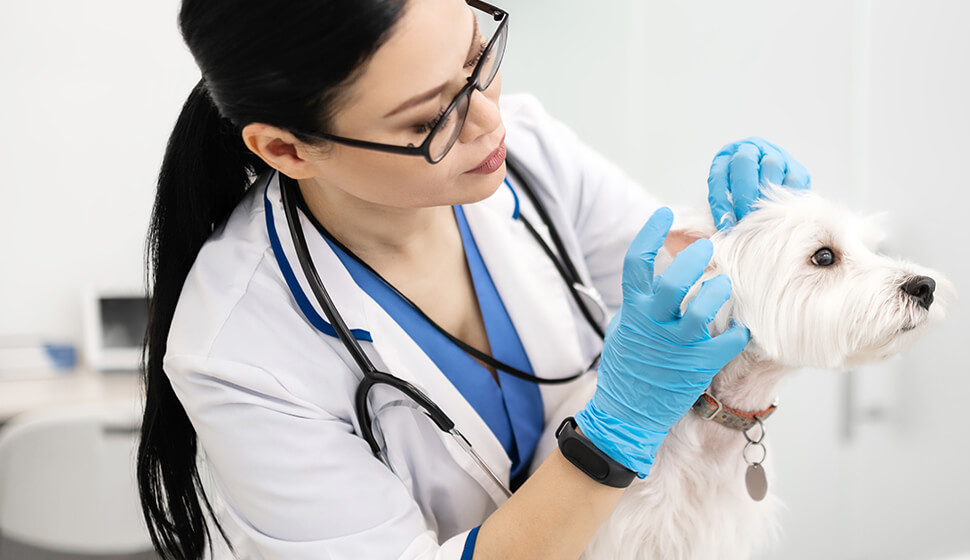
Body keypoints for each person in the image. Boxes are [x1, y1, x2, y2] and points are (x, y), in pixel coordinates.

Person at [135, 0, 812, 558]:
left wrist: (757, 234)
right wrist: (612, 438)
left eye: (476, 57)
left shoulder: (533, 152)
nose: (491, 119)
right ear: (285, 149)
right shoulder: (239, 351)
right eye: (430, 119)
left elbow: (684, 282)